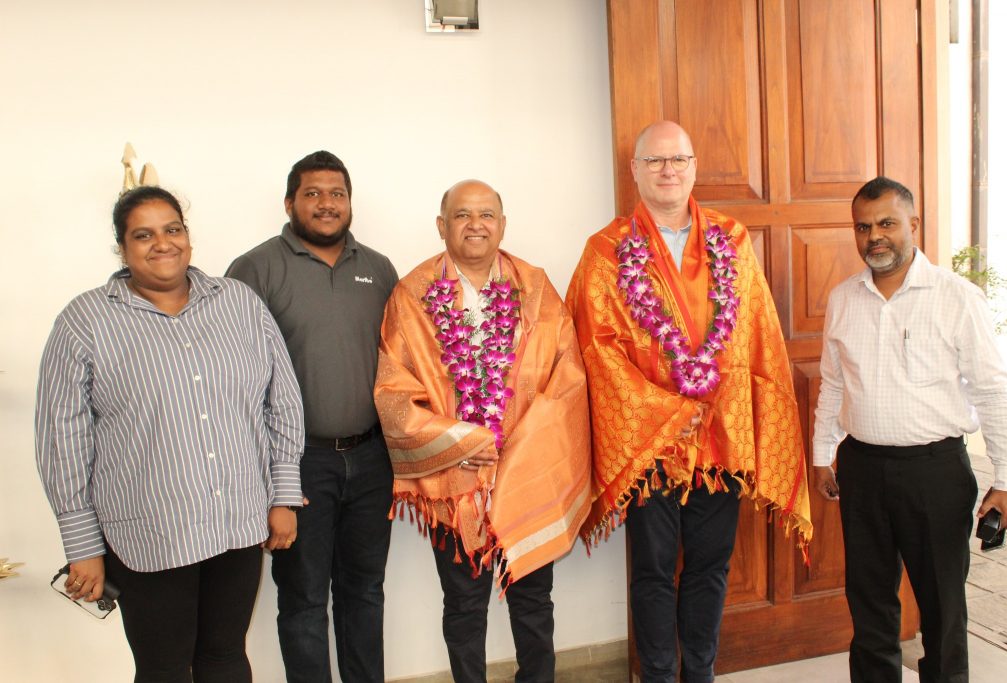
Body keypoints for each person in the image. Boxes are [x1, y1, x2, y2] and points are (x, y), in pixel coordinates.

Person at [567, 120, 812, 683]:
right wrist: (667, 413)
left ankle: (699, 672)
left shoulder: (732, 239)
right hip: (648, 443)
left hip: (720, 438)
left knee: (709, 566)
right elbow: (596, 348)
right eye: (655, 160)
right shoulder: (606, 251)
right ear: (635, 170)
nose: (668, 170)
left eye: (678, 159)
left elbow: (755, 333)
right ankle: (657, 675)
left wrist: (731, 410)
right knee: (652, 571)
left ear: (694, 167)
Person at [36, 185, 305, 682]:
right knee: (163, 668)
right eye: (144, 235)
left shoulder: (238, 303)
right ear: (122, 247)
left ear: (188, 236)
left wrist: (283, 495)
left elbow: (282, 399)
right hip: (149, 533)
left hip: (237, 523)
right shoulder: (84, 322)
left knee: (226, 657)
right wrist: (83, 546)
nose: (162, 243)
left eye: (172, 229)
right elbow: (62, 439)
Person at [373, 179, 591, 683]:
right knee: (464, 606)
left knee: (533, 601)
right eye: (462, 215)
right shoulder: (411, 295)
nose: (476, 225)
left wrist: (520, 450)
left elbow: (566, 378)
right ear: (441, 225)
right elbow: (394, 392)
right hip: (453, 480)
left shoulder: (535, 288)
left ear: (503, 225)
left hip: (527, 474)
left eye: (487, 214)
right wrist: (461, 444)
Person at [812, 176, 1007, 683]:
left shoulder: (957, 297)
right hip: (862, 469)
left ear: (914, 224)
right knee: (869, 604)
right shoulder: (843, 299)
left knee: (943, 609)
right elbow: (833, 384)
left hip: (935, 472)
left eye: (886, 223)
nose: (874, 237)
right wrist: (822, 454)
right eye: (863, 227)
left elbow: (992, 391)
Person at [226, 151, 398, 683]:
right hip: (297, 465)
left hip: (372, 459)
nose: (327, 204)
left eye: (337, 194)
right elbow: (235, 376)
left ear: (350, 202)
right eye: (313, 194)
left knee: (365, 590)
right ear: (289, 203)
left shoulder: (379, 268)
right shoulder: (253, 270)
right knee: (303, 599)